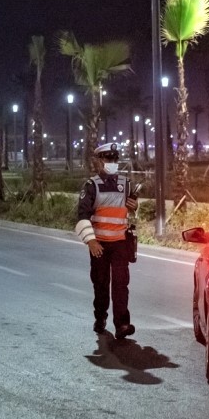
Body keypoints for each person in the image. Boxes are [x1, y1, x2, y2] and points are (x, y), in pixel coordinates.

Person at [75, 143, 139, 339]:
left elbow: (131, 210)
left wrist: (135, 206)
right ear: (99, 161)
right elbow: (82, 216)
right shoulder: (91, 185)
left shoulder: (126, 183)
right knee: (101, 284)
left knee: (121, 285)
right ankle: (100, 317)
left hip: (120, 242)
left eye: (114, 159)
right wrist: (91, 242)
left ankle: (122, 324)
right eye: (107, 159)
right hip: (99, 244)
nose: (112, 163)